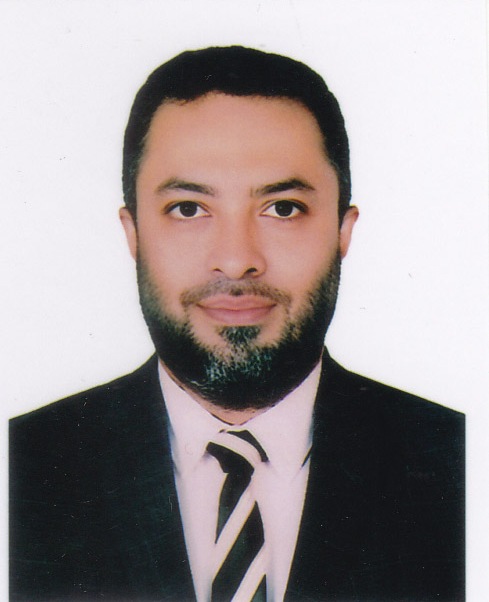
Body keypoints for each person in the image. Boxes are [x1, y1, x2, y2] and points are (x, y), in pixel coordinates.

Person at [9, 46, 464, 602]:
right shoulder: (23, 469)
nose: (235, 259)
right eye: (188, 208)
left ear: (343, 230)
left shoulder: (460, 465)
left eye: (283, 208)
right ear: (133, 233)